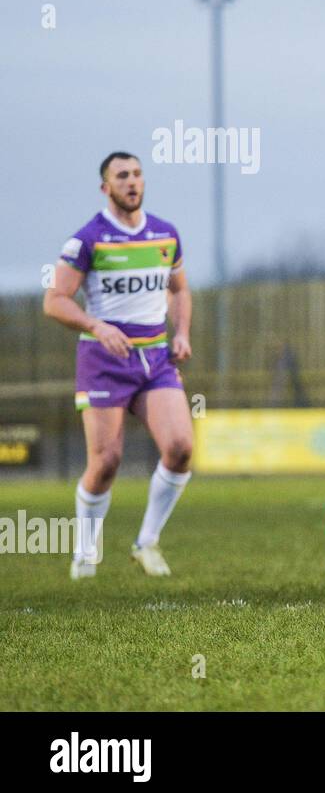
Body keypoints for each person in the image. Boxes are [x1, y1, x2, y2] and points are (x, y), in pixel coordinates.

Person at [44, 152, 194, 579]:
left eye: (137, 174)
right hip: (103, 360)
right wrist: (96, 324)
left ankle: (146, 542)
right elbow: (54, 300)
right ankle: (85, 553)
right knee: (106, 461)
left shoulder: (165, 234)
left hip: (156, 359)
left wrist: (181, 332)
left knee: (181, 448)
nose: (132, 182)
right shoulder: (87, 239)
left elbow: (180, 290)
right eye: (122, 176)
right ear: (105, 187)